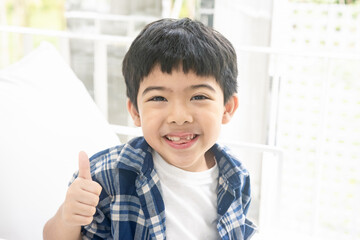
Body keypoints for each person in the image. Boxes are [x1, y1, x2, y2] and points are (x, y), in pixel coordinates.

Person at [43, 17, 256, 240]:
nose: (179, 117)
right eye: (159, 98)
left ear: (227, 108)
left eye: (199, 96)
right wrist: (68, 217)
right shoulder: (103, 178)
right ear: (135, 112)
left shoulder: (236, 175)